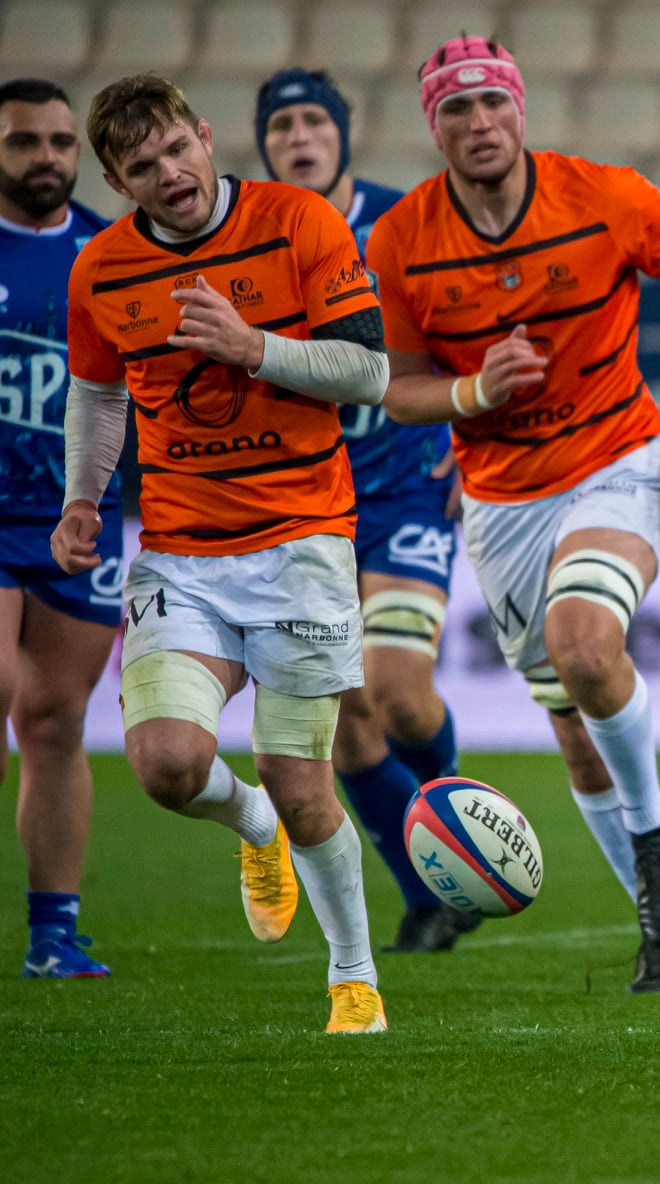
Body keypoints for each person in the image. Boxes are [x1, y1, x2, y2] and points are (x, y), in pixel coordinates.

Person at [368, 37, 660, 993]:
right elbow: (398, 390)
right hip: (499, 500)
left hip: (616, 462)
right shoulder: (403, 240)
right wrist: (473, 391)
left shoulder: (604, 196)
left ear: (520, 110)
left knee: (585, 648)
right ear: (434, 125)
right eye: (457, 108)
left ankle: (658, 845)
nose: (479, 122)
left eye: (493, 102)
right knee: (574, 730)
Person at [55, 74, 389, 1032]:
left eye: (176, 150)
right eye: (141, 167)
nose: (169, 175)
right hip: (181, 554)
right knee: (163, 764)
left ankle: (352, 980)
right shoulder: (103, 271)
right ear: (120, 184)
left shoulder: (299, 223)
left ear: (205, 138)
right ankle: (250, 827)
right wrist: (84, 498)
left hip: (302, 543)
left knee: (302, 779)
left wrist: (255, 347)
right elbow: (98, 393)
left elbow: (366, 371)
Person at [255, 66, 476, 954]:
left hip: (404, 484)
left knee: (398, 696)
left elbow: (466, 330)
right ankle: (431, 889)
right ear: (264, 144)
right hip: (302, 504)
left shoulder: (403, 225)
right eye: (281, 127)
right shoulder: (251, 243)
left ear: (342, 132)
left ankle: (463, 840)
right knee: (341, 720)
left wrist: (470, 439)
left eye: (314, 120)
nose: (298, 138)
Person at [0, 77, 118, 979]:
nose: (46, 158)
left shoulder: (110, 254)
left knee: (55, 720)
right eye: (24, 142)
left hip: (80, 514)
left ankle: (54, 935)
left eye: (60, 142)